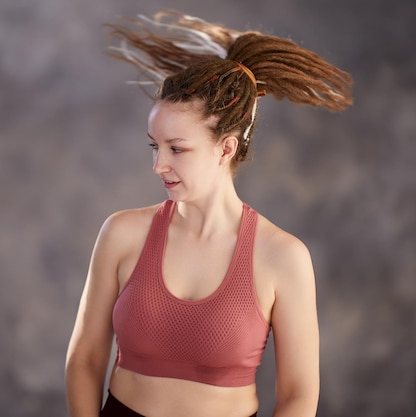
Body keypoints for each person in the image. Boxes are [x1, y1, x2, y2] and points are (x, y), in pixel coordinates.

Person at [65, 11, 353, 417]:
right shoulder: (121, 233)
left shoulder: (283, 257)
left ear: (226, 149)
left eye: (176, 149)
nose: (158, 164)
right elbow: (86, 358)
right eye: (154, 146)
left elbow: (298, 396)